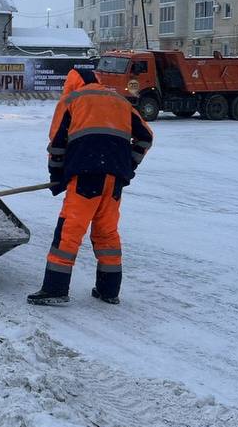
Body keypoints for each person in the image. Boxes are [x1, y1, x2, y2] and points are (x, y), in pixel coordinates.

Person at [28, 67, 152, 306]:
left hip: (85, 177)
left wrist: (57, 177)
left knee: (69, 231)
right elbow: (146, 137)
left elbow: (57, 145)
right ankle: (109, 290)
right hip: (114, 179)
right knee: (107, 232)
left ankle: (55, 289)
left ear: (72, 84)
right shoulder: (119, 99)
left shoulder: (72, 100)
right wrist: (129, 165)